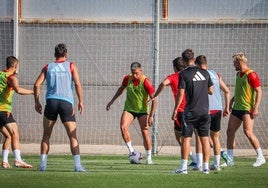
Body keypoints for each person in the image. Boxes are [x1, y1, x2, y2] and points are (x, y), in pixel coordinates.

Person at [34, 43, 87, 172]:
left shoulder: (48, 67)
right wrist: (80, 101)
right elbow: (78, 84)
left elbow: (36, 85)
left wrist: (37, 102)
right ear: (65, 54)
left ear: (55, 54)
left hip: (51, 102)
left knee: (46, 135)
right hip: (66, 103)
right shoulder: (71, 65)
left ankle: (43, 165)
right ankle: (78, 166)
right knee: (72, 136)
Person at [106, 62, 157, 165]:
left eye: (136, 73)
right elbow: (121, 89)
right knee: (123, 127)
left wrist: (151, 115)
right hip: (129, 109)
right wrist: (112, 101)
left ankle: (149, 157)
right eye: (133, 73)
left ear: (141, 71)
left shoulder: (146, 81)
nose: (134, 75)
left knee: (145, 133)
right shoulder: (127, 79)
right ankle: (132, 152)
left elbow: (155, 99)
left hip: (142, 111)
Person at [172, 49, 214, 174]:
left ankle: (183, 168)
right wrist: (201, 90)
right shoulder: (205, 73)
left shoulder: (184, 74)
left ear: (183, 61)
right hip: (205, 111)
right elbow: (211, 90)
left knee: (186, 138)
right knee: (205, 139)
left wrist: (175, 110)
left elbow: (181, 93)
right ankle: (205, 168)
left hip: (190, 111)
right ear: (194, 59)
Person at [151, 57, 197, 166]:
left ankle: (191, 161)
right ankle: (200, 158)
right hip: (196, 109)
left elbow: (163, 83)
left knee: (182, 137)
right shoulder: (191, 75)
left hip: (182, 111)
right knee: (201, 136)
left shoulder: (174, 76)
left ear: (175, 67)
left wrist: (155, 95)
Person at [225, 52, 266, 167]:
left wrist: (256, 108)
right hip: (237, 108)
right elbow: (239, 92)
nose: (234, 65)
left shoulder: (251, 74)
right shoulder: (238, 75)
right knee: (230, 131)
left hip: (247, 108)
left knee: (248, 132)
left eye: (234, 63)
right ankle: (230, 160)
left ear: (240, 62)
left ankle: (260, 157)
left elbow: (259, 91)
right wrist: (231, 102)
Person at [195, 55, 230, 171]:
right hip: (218, 109)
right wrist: (227, 108)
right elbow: (227, 91)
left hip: (206, 110)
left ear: (198, 65)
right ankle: (216, 165)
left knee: (202, 137)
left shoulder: (200, 75)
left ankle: (200, 165)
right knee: (215, 137)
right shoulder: (215, 74)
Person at [0, 56, 33, 169]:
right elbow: (18, 90)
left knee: (8, 136)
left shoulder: (0, 74)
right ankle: (18, 160)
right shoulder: (11, 77)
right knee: (15, 134)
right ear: (15, 66)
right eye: (17, 66)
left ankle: (4, 161)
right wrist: (32, 92)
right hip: (3, 110)